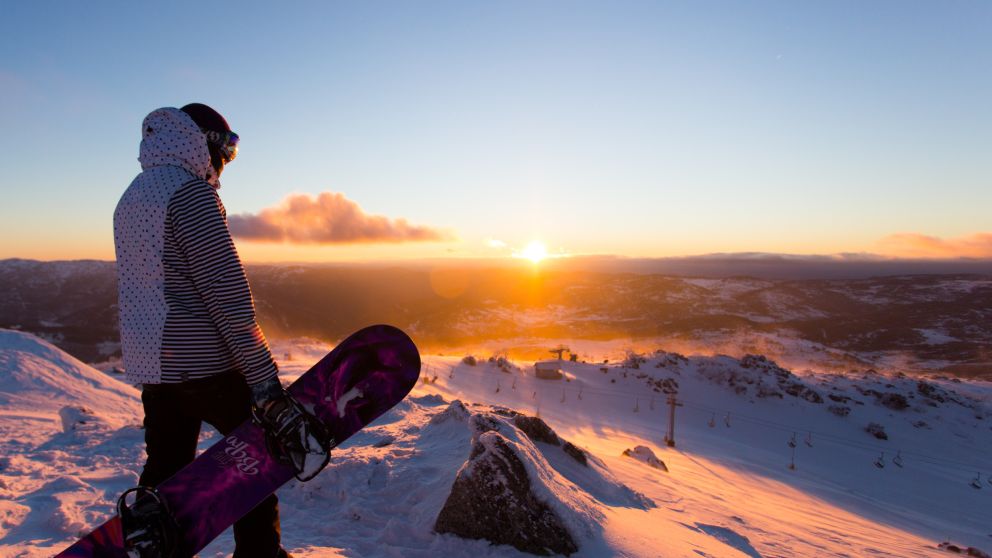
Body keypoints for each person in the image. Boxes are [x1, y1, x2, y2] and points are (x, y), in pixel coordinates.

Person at [114, 103, 318, 558]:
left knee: (166, 469)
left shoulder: (132, 195)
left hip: (157, 369)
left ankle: (151, 546)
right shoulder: (191, 195)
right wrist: (264, 380)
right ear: (202, 141)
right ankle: (259, 554)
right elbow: (226, 294)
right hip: (208, 365)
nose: (227, 157)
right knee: (254, 463)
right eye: (225, 144)